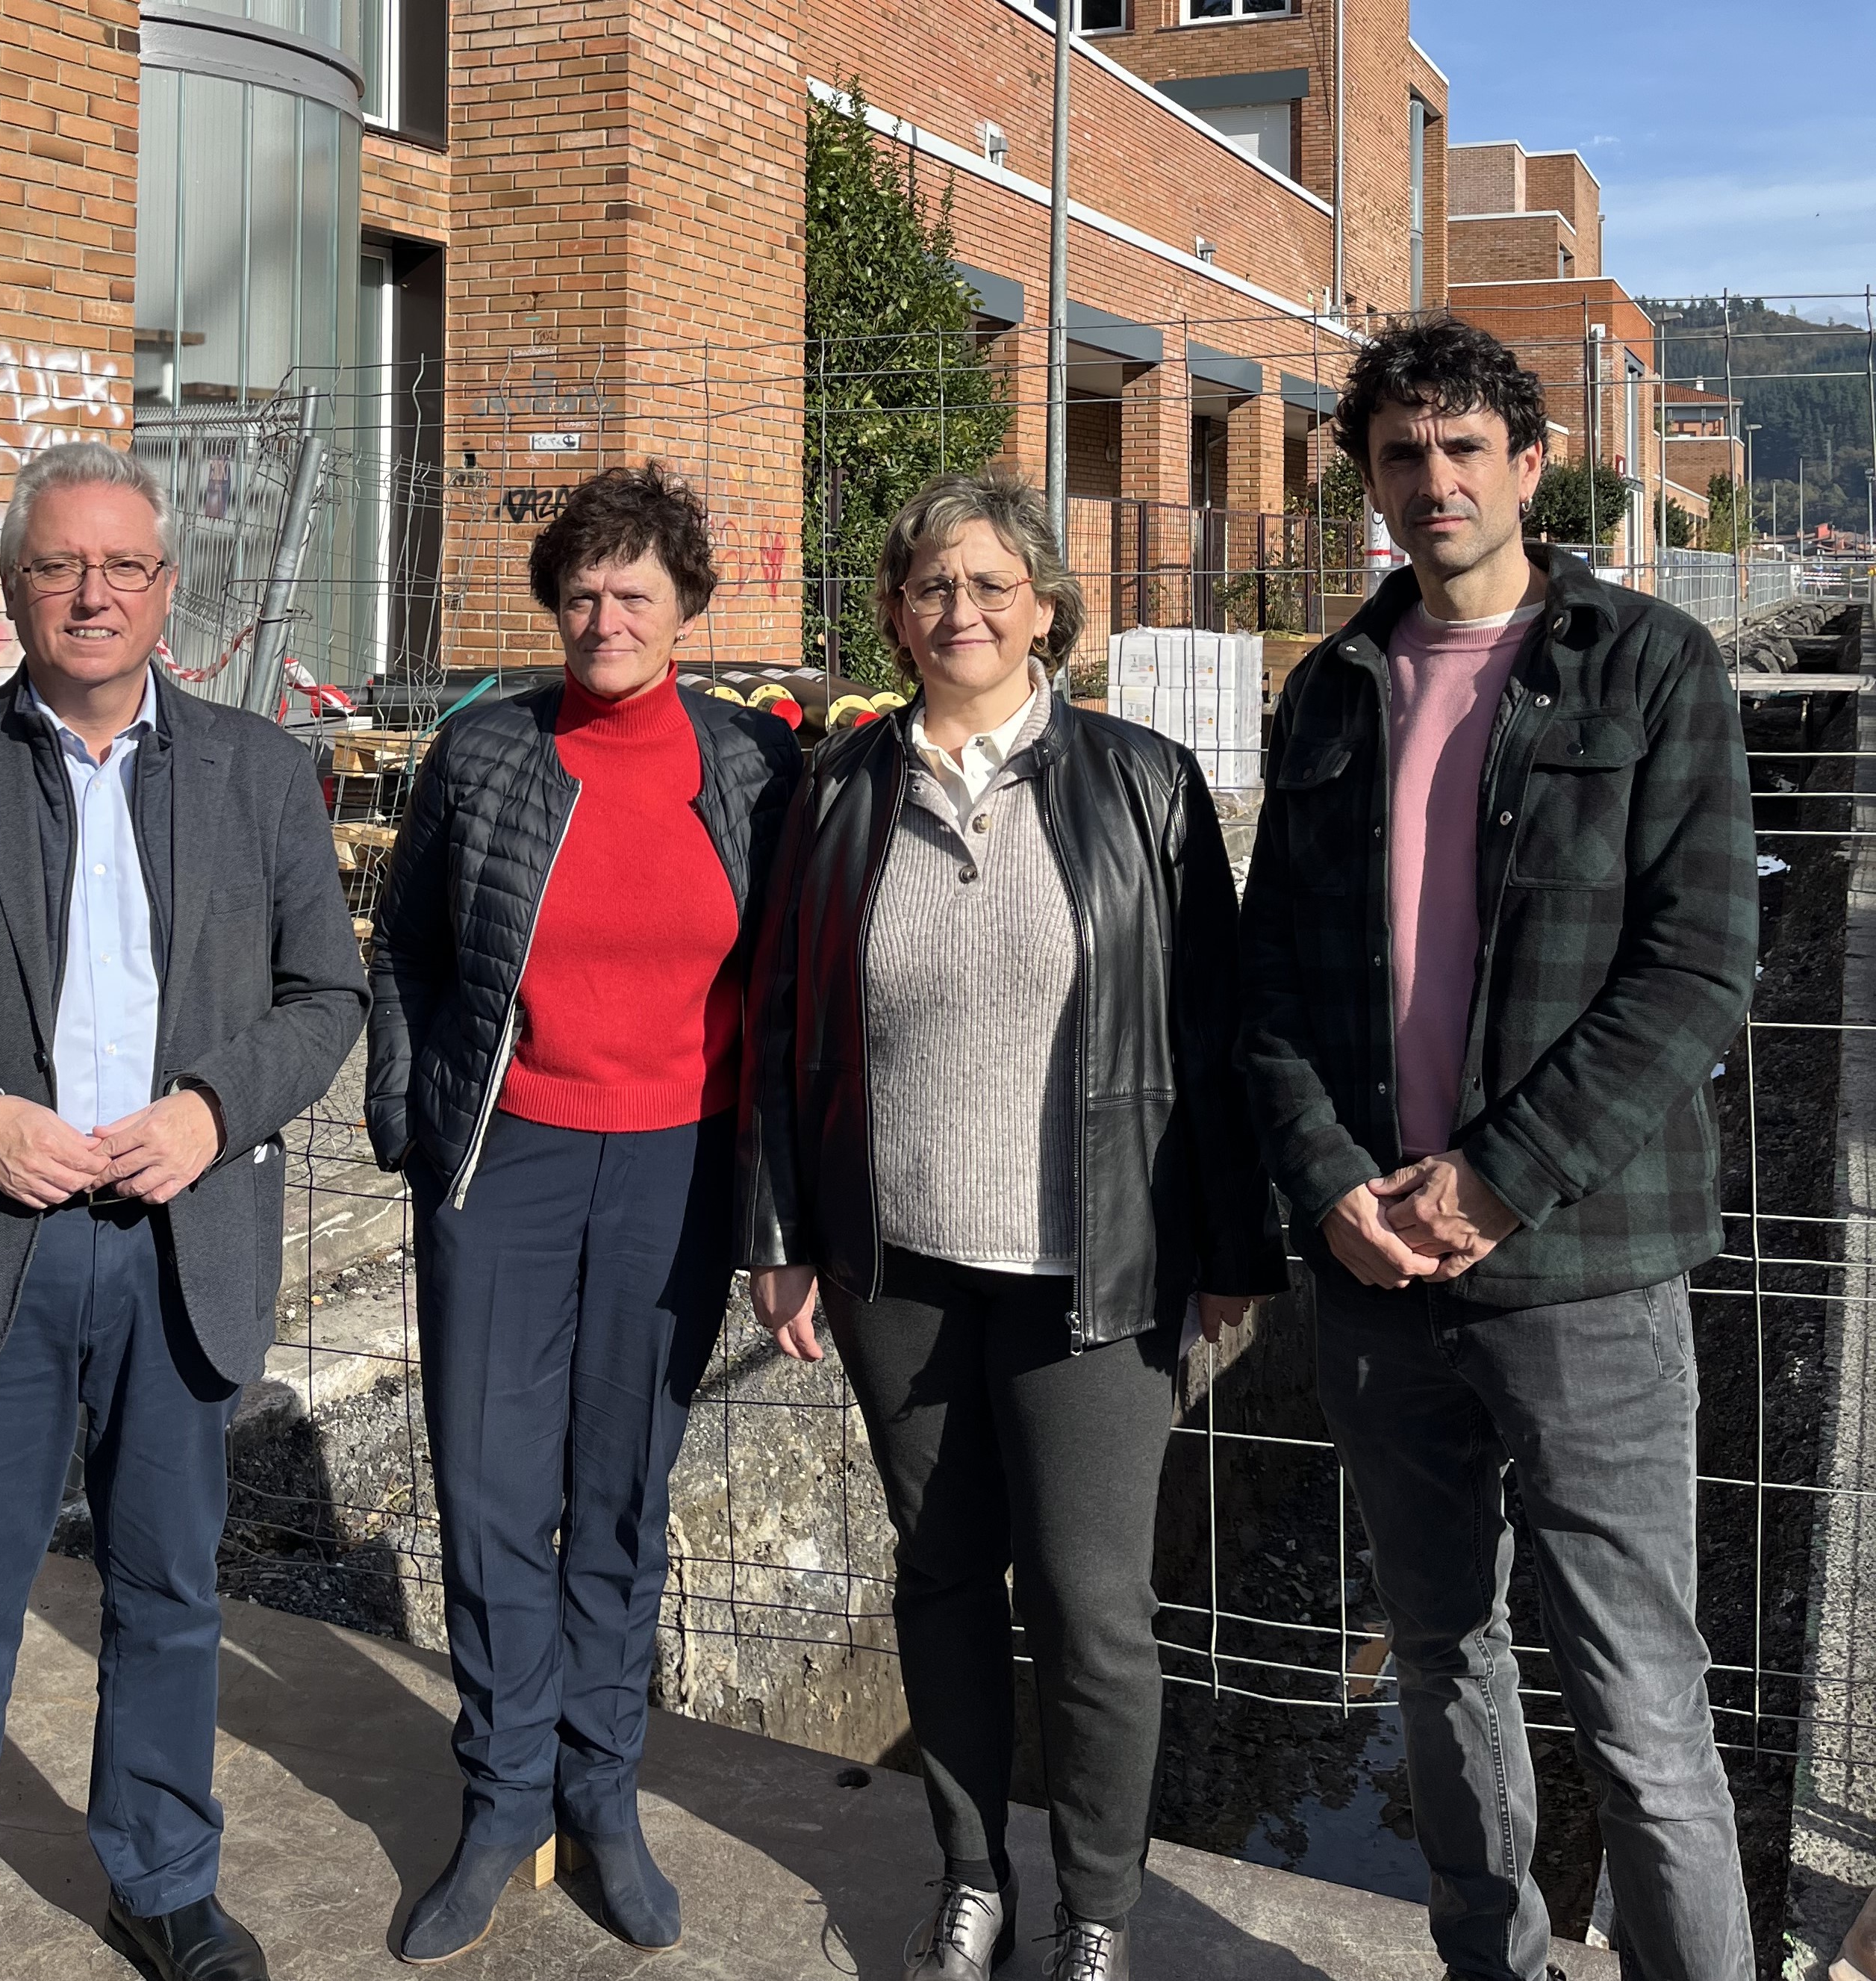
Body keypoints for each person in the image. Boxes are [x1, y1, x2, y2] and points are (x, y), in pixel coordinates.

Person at [0, 441, 369, 1981]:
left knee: (168, 1595)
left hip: (179, 1250)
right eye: (59, 565)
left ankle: (160, 1878)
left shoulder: (256, 771)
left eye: (123, 566)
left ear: (167, 590)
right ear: (13, 588)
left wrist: (215, 1109)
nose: (92, 593)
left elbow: (328, 994)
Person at [1238, 316, 1759, 1980]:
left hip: (1586, 1272)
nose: (1436, 480)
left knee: (1640, 1696)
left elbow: (1697, 969)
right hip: (1380, 1275)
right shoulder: (1329, 691)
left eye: (1466, 448)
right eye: (1403, 453)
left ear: (1530, 466)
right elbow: (1269, 984)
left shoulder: (1648, 666)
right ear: (1371, 480)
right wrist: (1330, 1182)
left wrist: (1499, 1175)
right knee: (1439, 1658)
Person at [741, 472, 1287, 1981]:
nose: (960, 610)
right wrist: (781, 1231)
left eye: (991, 584)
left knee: (1090, 1603)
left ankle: (1096, 1907)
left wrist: (1234, 1247)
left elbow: (1213, 1028)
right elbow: (785, 1022)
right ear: (896, 611)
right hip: (898, 1265)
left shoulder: (1145, 783)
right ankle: (971, 1875)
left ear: (1047, 605)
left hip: (1094, 1271)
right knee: (939, 1574)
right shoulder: (839, 790)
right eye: (931, 585)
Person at [366, 464, 800, 1963]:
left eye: (634, 592)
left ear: (687, 607)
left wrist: (784, 1205)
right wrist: (407, 1119)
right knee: (491, 1492)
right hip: (507, 1166)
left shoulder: (753, 766)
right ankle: (501, 1800)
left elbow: (788, 985)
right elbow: (405, 949)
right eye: (581, 592)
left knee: (621, 1494)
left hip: (676, 1172)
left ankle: (601, 1792)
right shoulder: (486, 753)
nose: (605, 617)